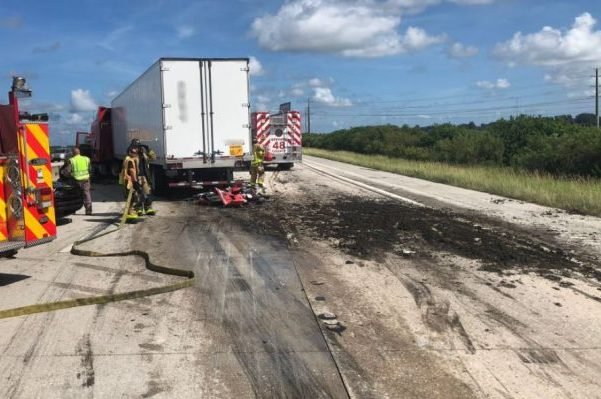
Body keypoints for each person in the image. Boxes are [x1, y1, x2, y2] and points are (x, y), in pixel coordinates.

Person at [127, 139, 156, 215]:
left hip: (144, 176)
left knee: (147, 193)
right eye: (134, 146)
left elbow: (153, 158)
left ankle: (148, 208)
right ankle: (138, 209)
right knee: (137, 194)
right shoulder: (130, 155)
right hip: (136, 177)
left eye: (137, 146)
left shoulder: (143, 154)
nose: (135, 148)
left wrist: (148, 149)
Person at [69, 146, 92, 215]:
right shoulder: (86, 159)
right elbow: (90, 169)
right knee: (86, 194)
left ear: (73, 153)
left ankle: (73, 210)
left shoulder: (72, 160)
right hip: (85, 179)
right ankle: (88, 210)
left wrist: (70, 175)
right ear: (79, 153)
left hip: (76, 180)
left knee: (74, 194)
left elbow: (67, 171)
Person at [120, 146, 141, 222]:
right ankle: (129, 212)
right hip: (130, 181)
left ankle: (130, 211)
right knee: (131, 197)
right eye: (133, 152)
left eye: (136, 152)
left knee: (132, 197)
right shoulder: (129, 161)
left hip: (129, 181)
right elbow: (132, 171)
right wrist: (135, 182)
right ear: (129, 152)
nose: (135, 154)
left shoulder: (129, 159)